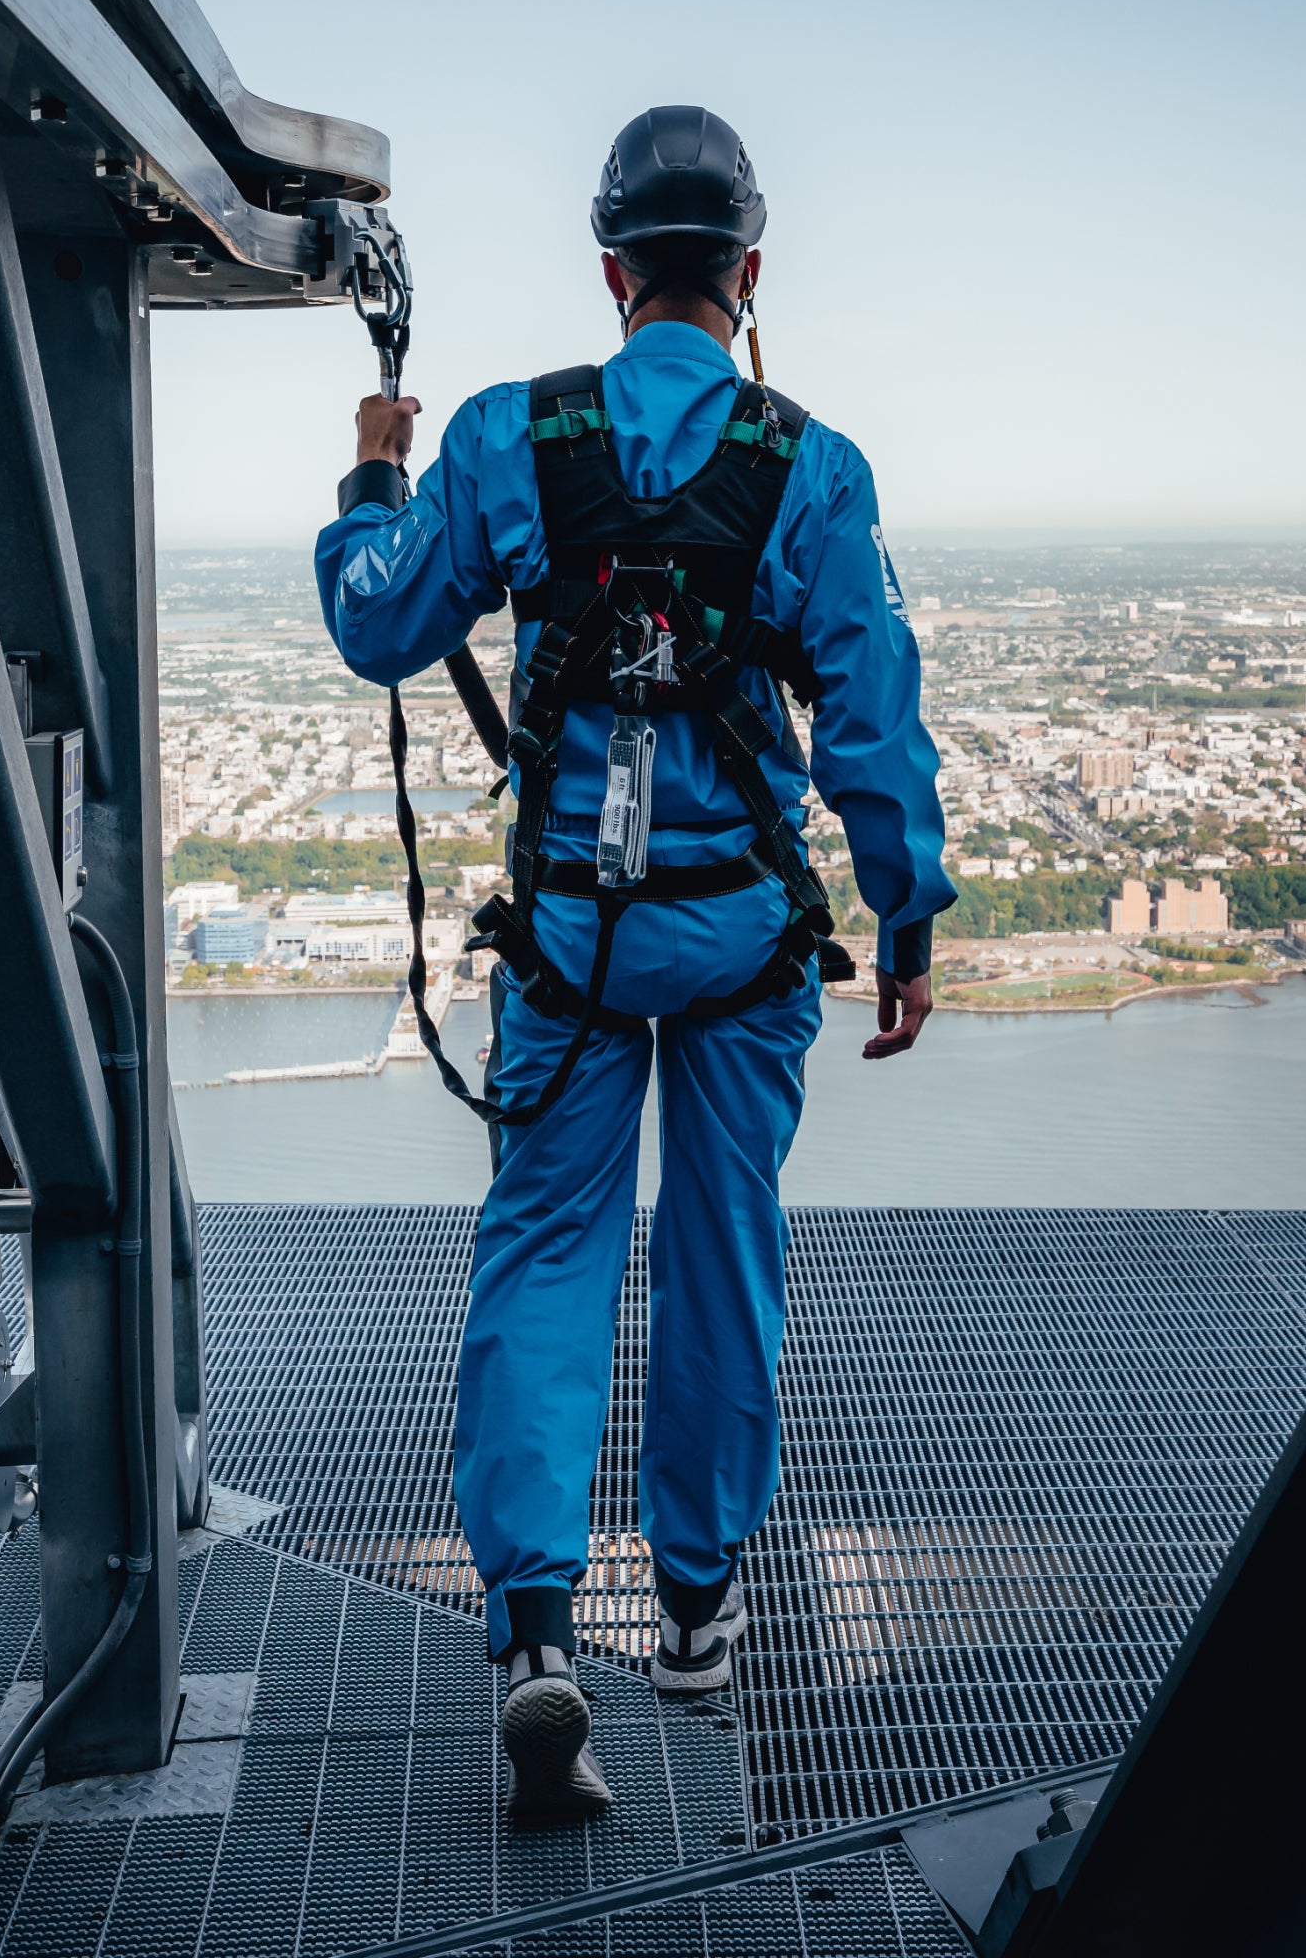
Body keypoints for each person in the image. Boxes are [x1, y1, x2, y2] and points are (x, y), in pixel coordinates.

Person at [314, 105, 953, 1823]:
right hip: (742, 941)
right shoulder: (814, 470)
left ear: (611, 272)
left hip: (574, 948)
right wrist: (905, 917)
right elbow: (875, 731)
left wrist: (375, 476)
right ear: (748, 275)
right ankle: (693, 1621)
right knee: (721, 1253)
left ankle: (535, 1633)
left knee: (545, 1254)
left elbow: (382, 619)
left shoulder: (514, 437)